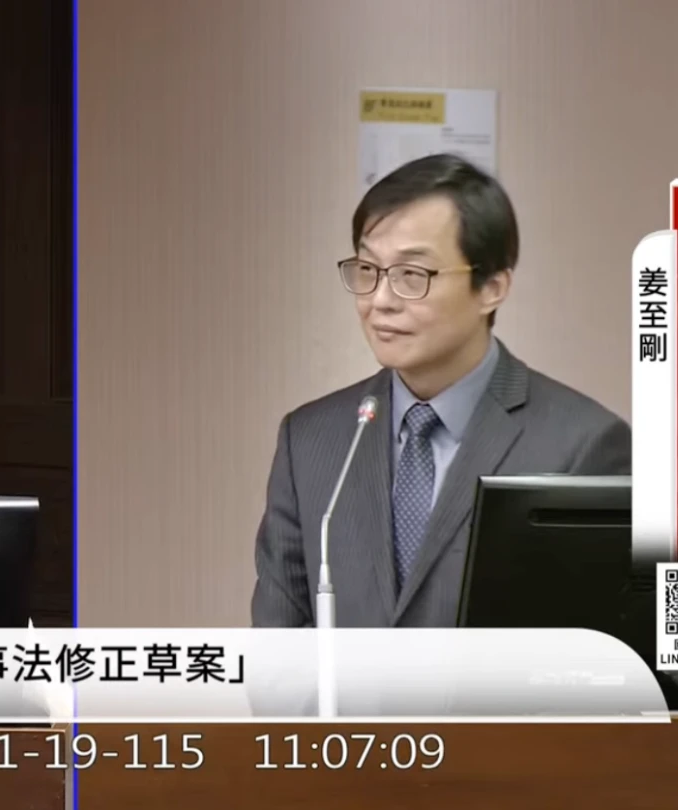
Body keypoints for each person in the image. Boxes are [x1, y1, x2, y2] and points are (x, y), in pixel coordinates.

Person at [250, 153, 630, 629]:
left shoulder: (582, 446)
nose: (380, 301)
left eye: (412, 275)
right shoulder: (310, 440)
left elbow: (603, 650)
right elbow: (278, 642)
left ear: (492, 287)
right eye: (368, 270)